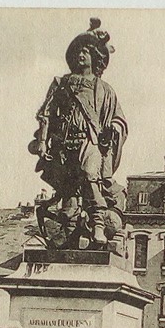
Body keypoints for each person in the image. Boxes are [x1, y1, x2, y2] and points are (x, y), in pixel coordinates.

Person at [30, 18, 128, 248]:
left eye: (86, 51)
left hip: (90, 140)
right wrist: (43, 142)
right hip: (64, 143)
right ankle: (70, 233)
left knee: (88, 175)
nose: (81, 55)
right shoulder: (61, 83)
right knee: (68, 189)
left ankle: (98, 225)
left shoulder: (105, 89)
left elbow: (119, 119)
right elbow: (45, 113)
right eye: (78, 52)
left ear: (96, 57)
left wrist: (113, 129)